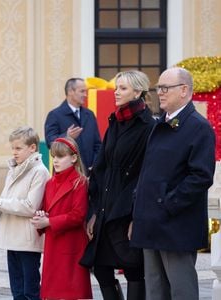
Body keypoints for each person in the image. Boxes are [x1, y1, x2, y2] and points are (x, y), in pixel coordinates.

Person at [130, 67, 216, 300]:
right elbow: (149, 172)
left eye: (165, 88)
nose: (160, 93)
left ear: (184, 90)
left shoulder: (198, 127)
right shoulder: (160, 125)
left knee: (181, 291)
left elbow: (201, 177)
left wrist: (168, 204)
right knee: (155, 290)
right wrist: (139, 211)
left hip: (176, 225)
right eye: (159, 88)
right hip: (150, 222)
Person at [80, 70, 155, 300]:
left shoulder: (149, 126)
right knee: (101, 268)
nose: (117, 92)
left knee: (134, 269)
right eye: (117, 88)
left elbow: (146, 174)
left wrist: (136, 216)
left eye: (123, 88)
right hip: (105, 209)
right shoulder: (115, 122)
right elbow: (100, 168)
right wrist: (93, 212)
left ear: (138, 91)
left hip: (126, 211)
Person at [0, 126, 50, 300]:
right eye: (12, 148)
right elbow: (6, 204)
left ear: (32, 148)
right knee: (17, 292)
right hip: (11, 239)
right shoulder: (13, 170)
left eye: (18, 148)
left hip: (27, 240)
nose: (14, 152)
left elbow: (30, 206)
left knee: (30, 291)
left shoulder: (40, 172)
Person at [31, 137, 92, 300]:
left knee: (71, 292)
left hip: (72, 243)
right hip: (53, 243)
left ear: (73, 158)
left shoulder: (79, 182)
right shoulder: (50, 183)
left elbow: (78, 215)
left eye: (60, 156)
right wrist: (41, 217)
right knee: (52, 293)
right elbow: (45, 208)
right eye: (54, 156)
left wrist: (49, 221)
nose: (56, 160)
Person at [44, 77, 101, 174]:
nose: (85, 95)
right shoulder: (54, 115)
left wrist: (95, 164)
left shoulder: (89, 115)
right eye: (82, 91)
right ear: (70, 91)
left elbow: (98, 144)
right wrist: (67, 137)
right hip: (66, 176)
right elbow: (50, 142)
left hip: (91, 175)